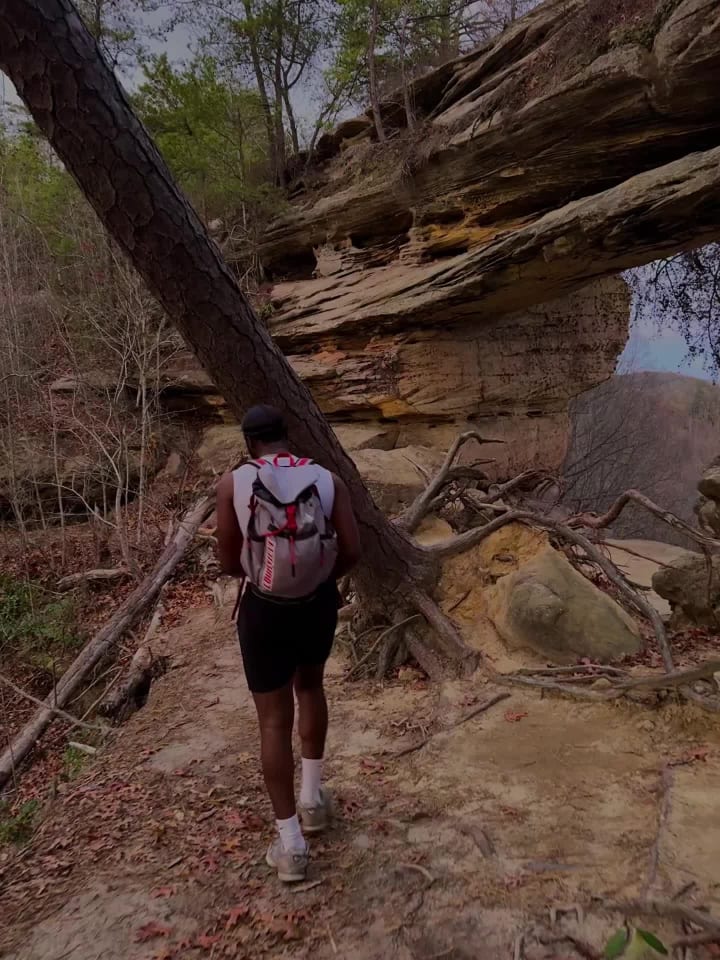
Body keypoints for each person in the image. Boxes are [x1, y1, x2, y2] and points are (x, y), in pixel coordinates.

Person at [215, 404, 361, 882]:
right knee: (311, 689)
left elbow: (228, 561)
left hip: (263, 610)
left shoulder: (234, 482)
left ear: (249, 443)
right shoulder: (325, 478)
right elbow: (354, 550)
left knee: (273, 721)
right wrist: (320, 580)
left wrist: (265, 578)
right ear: (287, 436)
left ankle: (292, 845)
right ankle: (314, 800)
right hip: (316, 605)